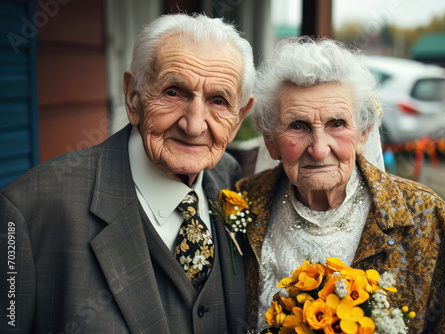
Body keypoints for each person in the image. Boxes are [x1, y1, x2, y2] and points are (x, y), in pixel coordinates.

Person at [0, 13, 254, 333]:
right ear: (133, 96)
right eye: (173, 92)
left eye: (219, 101)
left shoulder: (233, 182)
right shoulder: (30, 209)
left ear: (239, 116)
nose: (193, 124)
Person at [236, 37, 445, 333]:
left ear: (363, 135)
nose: (319, 150)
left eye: (337, 124)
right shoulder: (244, 203)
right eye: (298, 126)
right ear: (271, 142)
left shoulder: (426, 218)